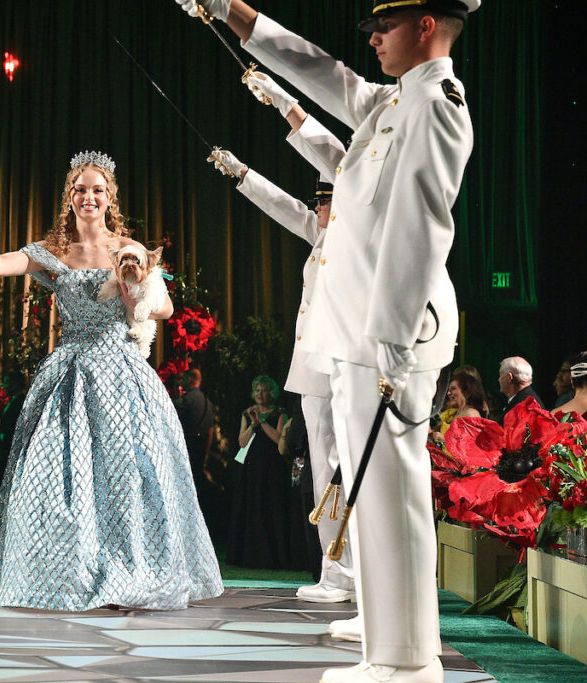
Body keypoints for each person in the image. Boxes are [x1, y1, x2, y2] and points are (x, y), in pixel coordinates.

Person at [177, 1, 479, 680]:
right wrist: (233, 15)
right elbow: (323, 72)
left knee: (393, 493)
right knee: (372, 492)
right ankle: (388, 645)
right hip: (357, 334)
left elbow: (421, 228)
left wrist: (392, 344)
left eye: (385, 24)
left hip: (389, 335)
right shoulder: (388, 103)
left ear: (425, 25)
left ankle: (405, 660)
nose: (372, 37)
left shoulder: (436, 103)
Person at [0, 152, 223, 610]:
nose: (89, 197)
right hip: (69, 373)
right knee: (57, 478)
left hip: (123, 372)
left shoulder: (129, 246)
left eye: (97, 190)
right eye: (81, 189)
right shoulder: (52, 252)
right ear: (70, 196)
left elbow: (164, 308)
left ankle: (132, 568)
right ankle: (64, 573)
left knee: (129, 476)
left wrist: (135, 293)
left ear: (109, 198)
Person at [209, 71, 354, 602]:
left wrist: (284, 102)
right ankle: (336, 572)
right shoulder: (319, 235)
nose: (317, 209)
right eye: (318, 203)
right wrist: (241, 173)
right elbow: (284, 207)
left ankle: (358, 571)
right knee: (323, 465)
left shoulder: (357, 233)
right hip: (316, 363)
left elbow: (332, 157)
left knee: (348, 466)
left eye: (326, 201)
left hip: (348, 361)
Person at [227, 375, 308, 570]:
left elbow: (278, 439)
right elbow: (242, 442)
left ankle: (276, 557)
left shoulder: (280, 413)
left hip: (273, 468)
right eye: (257, 390)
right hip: (252, 468)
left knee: (272, 508)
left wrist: (262, 421)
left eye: (264, 390)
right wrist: (253, 424)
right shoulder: (247, 414)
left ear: (271, 393)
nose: (260, 394)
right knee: (253, 508)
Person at [176, 367, 214, 485]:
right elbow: (211, 431)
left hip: (188, 447)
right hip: (201, 448)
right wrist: (206, 451)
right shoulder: (208, 403)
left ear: (191, 380)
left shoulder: (187, 399)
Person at [553, 353, 587, 417]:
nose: (554, 384)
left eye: (564, 371)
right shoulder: (562, 400)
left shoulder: (555, 414)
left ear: (572, 381)